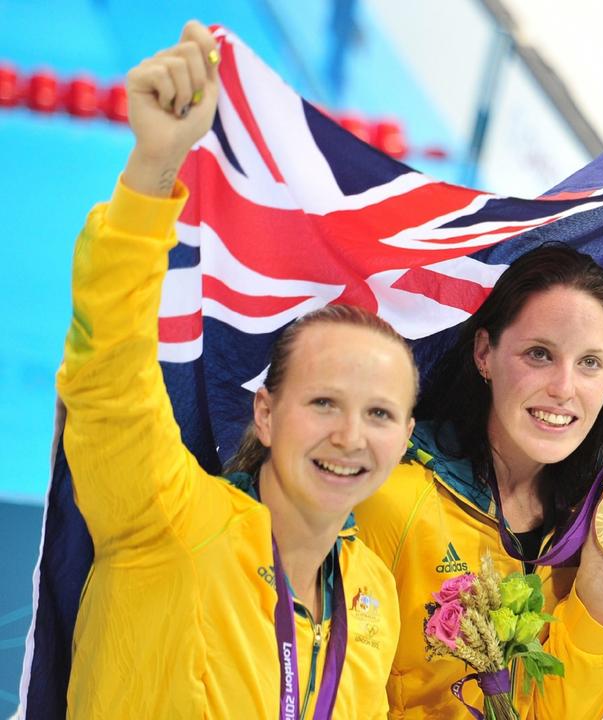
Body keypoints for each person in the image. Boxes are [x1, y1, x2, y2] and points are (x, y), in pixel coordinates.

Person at [58, 21, 413, 717]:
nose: (350, 435)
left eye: (379, 414)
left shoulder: (372, 599)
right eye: (322, 403)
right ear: (266, 412)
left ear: (404, 439)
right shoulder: (170, 518)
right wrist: (155, 169)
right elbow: (108, 376)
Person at [355, 244, 603, 718]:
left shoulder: (595, 520)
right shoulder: (394, 499)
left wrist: (601, 580)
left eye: (590, 362)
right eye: (540, 354)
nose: (564, 388)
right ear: (484, 354)